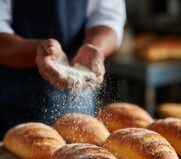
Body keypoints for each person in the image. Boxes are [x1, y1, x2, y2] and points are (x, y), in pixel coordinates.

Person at [0, 0, 126, 139]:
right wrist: (37, 51)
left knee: (80, 154)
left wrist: (95, 47)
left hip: (78, 98)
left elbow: (107, 17)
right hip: (12, 101)